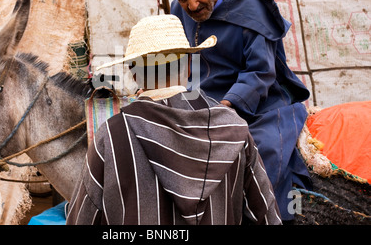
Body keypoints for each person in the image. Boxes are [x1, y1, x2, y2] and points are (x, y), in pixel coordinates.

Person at [66, 14, 281, 225]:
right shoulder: (234, 130)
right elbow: (267, 216)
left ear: (133, 73)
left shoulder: (111, 136)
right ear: (189, 65)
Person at [166, 0, 312, 220]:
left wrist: (227, 106)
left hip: (260, 99)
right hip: (203, 99)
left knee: (260, 153)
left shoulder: (252, 10)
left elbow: (260, 71)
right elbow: (184, 61)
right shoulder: (178, 10)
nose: (193, 4)